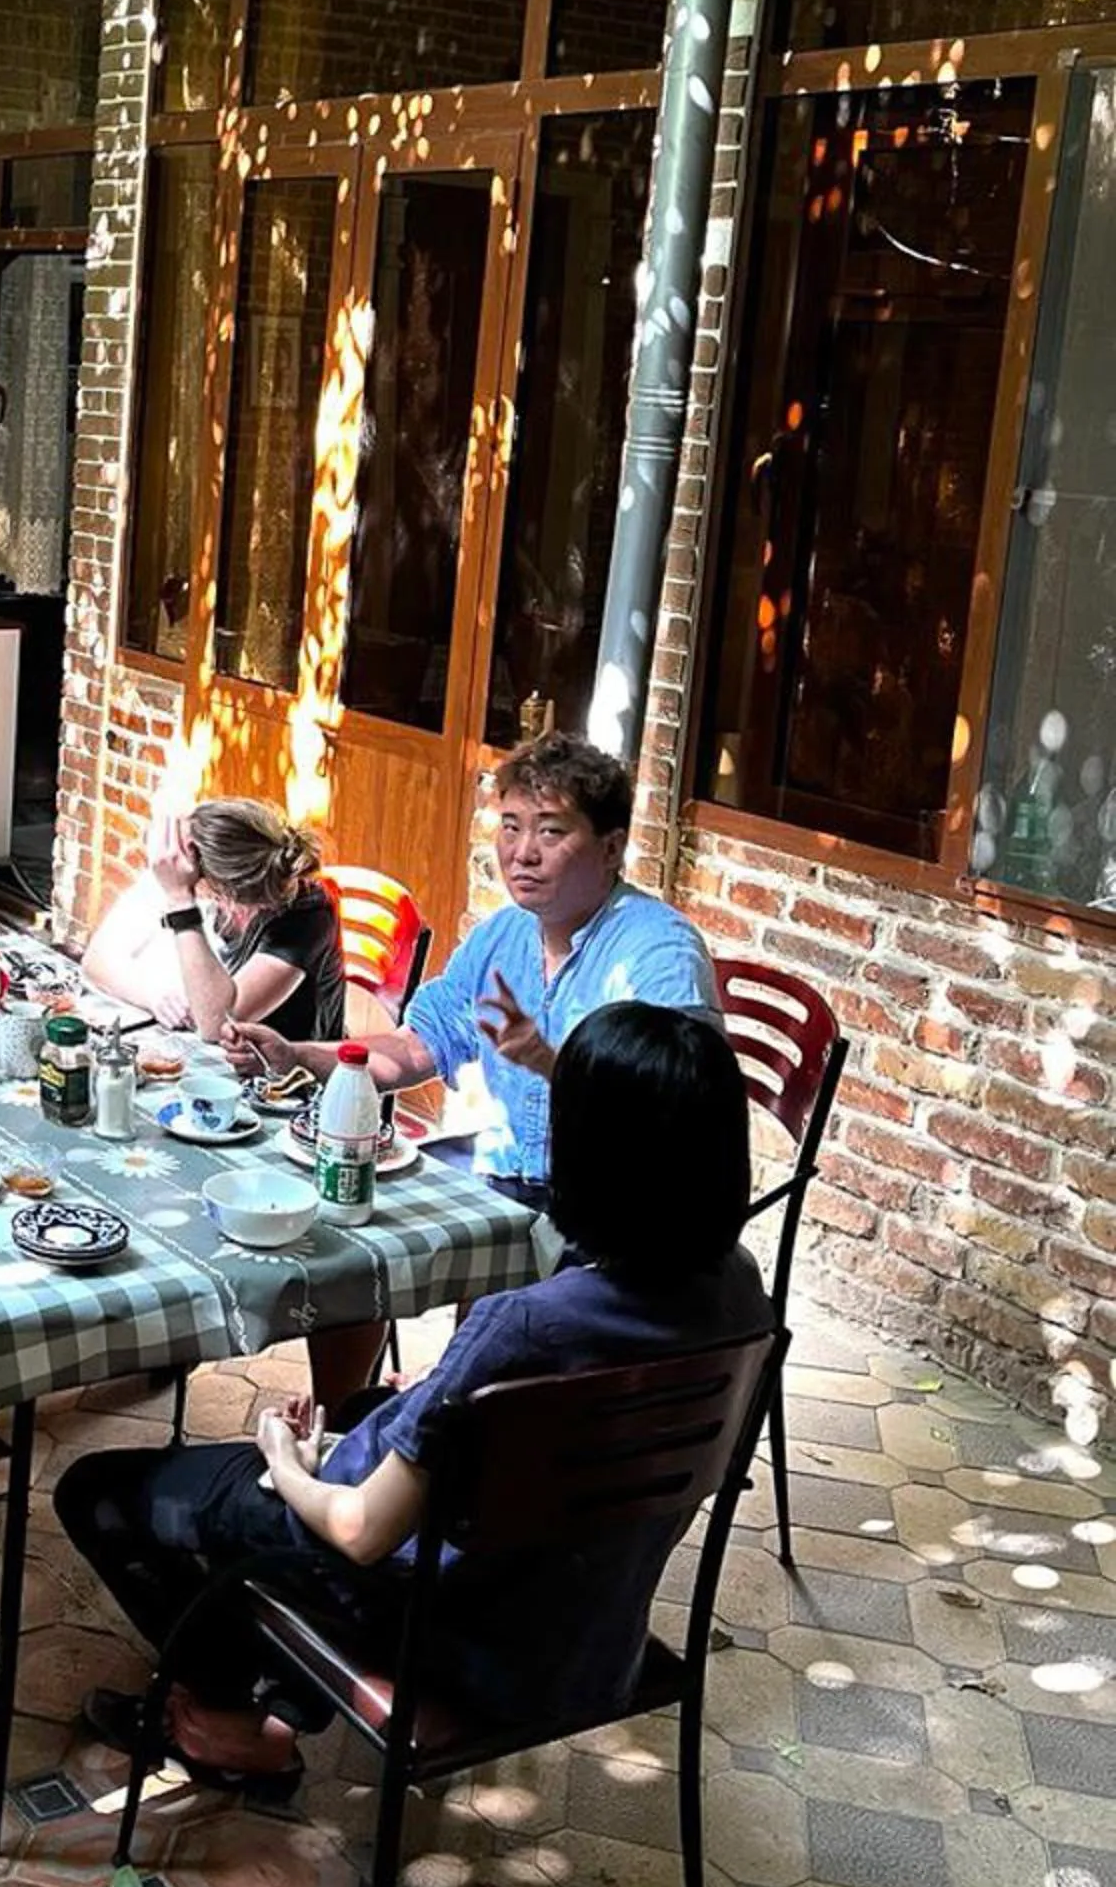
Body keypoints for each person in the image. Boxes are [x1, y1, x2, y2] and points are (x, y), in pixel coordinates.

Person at [57, 1004, 775, 1789]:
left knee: (101, 1492)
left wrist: (284, 1458)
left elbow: (361, 1532)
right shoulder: (741, 1294)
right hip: (587, 1637)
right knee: (364, 1410)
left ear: (587, 1154)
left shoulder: (525, 1326)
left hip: (452, 1637)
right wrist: (437, 1401)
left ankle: (236, 1725)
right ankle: (279, 1699)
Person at [228, 732, 718, 1200]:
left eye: (550, 830)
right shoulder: (501, 936)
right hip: (502, 1169)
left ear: (611, 848)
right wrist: (295, 1054)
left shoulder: (658, 955)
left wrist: (553, 1065)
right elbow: (413, 1047)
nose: (523, 853)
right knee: (330, 1195)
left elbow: (672, 1117)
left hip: (611, 1209)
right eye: (510, 827)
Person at [82, 798, 347, 1046]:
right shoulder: (190, 874)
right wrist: (152, 995)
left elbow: (218, 1024)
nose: (174, 862)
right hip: (212, 1057)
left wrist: (180, 901)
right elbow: (97, 959)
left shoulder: (307, 913)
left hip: (284, 1078)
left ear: (223, 890)